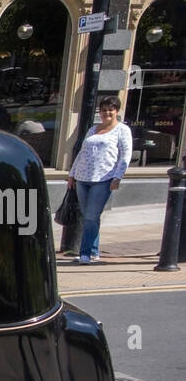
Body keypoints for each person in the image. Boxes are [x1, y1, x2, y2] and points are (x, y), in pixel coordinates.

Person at [67, 95, 132, 264]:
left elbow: (126, 156)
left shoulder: (122, 130)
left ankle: (85, 254)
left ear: (117, 111)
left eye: (110, 110)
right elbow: (82, 152)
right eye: (103, 110)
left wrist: (118, 177)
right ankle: (94, 251)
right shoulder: (93, 129)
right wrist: (72, 174)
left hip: (103, 179)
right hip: (82, 178)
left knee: (91, 216)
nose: (106, 113)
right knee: (89, 217)